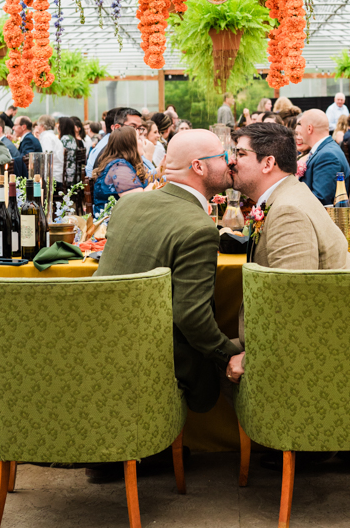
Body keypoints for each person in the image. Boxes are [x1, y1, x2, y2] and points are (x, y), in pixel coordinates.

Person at [95, 129, 242, 413]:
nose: (230, 163)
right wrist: (232, 356)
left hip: (101, 347)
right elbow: (191, 317)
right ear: (198, 167)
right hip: (154, 364)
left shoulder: (129, 202)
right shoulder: (198, 229)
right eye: (224, 156)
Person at [225, 122, 350, 381]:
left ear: (268, 163)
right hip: (303, 338)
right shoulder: (288, 195)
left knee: (199, 368)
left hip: (309, 356)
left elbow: (296, 304)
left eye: (240, 154)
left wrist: (252, 359)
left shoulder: (288, 212)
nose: (231, 161)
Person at [295, 109, 350, 204]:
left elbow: (320, 199)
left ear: (309, 129)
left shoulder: (327, 156)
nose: (300, 130)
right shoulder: (324, 149)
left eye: (301, 125)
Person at [91, 126, 147, 214]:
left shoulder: (120, 164)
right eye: (139, 138)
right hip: (112, 223)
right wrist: (152, 188)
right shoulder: (119, 167)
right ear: (130, 145)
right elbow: (136, 200)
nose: (143, 141)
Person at [85, 107, 142, 177]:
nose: (138, 132)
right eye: (133, 127)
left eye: (140, 128)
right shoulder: (114, 153)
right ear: (116, 127)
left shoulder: (109, 144)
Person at [57, 115, 86, 202]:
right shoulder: (72, 138)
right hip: (73, 175)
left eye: (58, 124)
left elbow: (59, 156)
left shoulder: (65, 139)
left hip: (67, 176)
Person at [37, 114, 65, 189]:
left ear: (42, 126)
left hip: (53, 178)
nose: (37, 128)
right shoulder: (53, 137)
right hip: (57, 175)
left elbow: (47, 158)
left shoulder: (46, 138)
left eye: (38, 125)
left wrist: (42, 180)